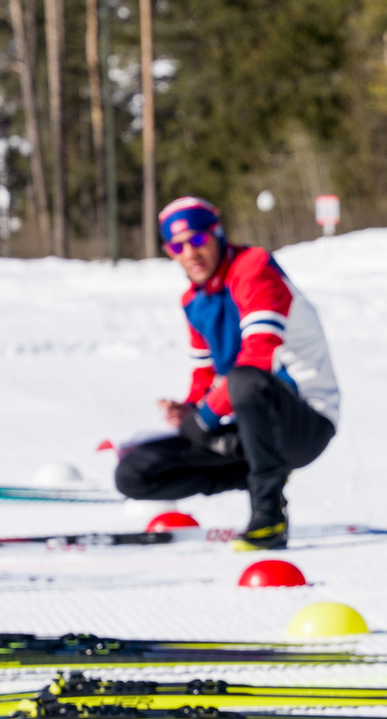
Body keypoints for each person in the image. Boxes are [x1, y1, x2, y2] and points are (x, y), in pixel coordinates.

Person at [115, 197, 340, 550]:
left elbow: (259, 356)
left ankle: (268, 517)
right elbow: (205, 376)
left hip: (304, 424)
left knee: (244, 380)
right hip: (248, 430)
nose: (190, 253)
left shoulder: (254, 268)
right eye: (178, 246)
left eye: (198, 239)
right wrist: (188, 410)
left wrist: (204, 417)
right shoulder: (194, 300)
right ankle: (261, 475)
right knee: (133, 473)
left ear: (216, 233)